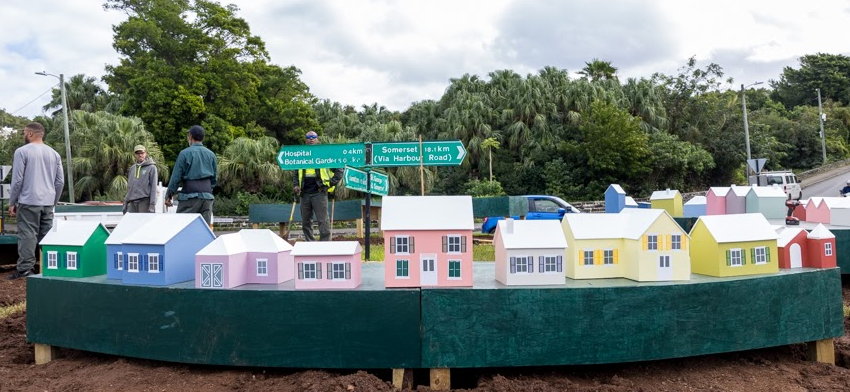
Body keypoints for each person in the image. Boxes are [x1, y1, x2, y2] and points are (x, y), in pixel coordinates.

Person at [7, 122, 64, 280]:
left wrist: (12, 202)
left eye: (24, 132)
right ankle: (53, 267)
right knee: (48, 236)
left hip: (29, 200)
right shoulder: (54, 154)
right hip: (48, 202)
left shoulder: (22, 151)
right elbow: (60, 182)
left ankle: (25, 269)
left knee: (28, 234)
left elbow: (17, 180)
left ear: (30, 134)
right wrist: (53, 201)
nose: (23, 135)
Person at [292, 131, 342, 241]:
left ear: (317, 139)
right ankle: (310, 244)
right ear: (305, 140)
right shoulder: (301, 155)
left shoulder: (324, 155)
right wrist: (295, 185)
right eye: (308, 137)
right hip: (304, 193)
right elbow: (295, 172)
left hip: (319, 192)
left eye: (313, 137)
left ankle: (324, 245)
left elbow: (339, 170)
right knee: (305, 222)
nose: (311, 139)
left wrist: (330, 184)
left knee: (323, 221)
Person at [165, 125, 217, 225]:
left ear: (191, 136)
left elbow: (176, 177)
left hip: (189, 197)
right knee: (203, 229)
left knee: (182, 227)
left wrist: (169, 195)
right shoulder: (211, 154)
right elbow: (214, 179)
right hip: (207, 198)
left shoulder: (184, 153)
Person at [123, 144, 158, 214]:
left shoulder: (152, 167)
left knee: (145, 221)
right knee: (130, 221)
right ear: (134, 155)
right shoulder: (132, 168)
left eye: (142, 153)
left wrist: (152, 204)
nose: (140, 155)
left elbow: (154, 187)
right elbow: (130, 187)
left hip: (145, 202)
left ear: (146, 153)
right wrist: (125, 202)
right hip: (132, 202)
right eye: (137, 153)